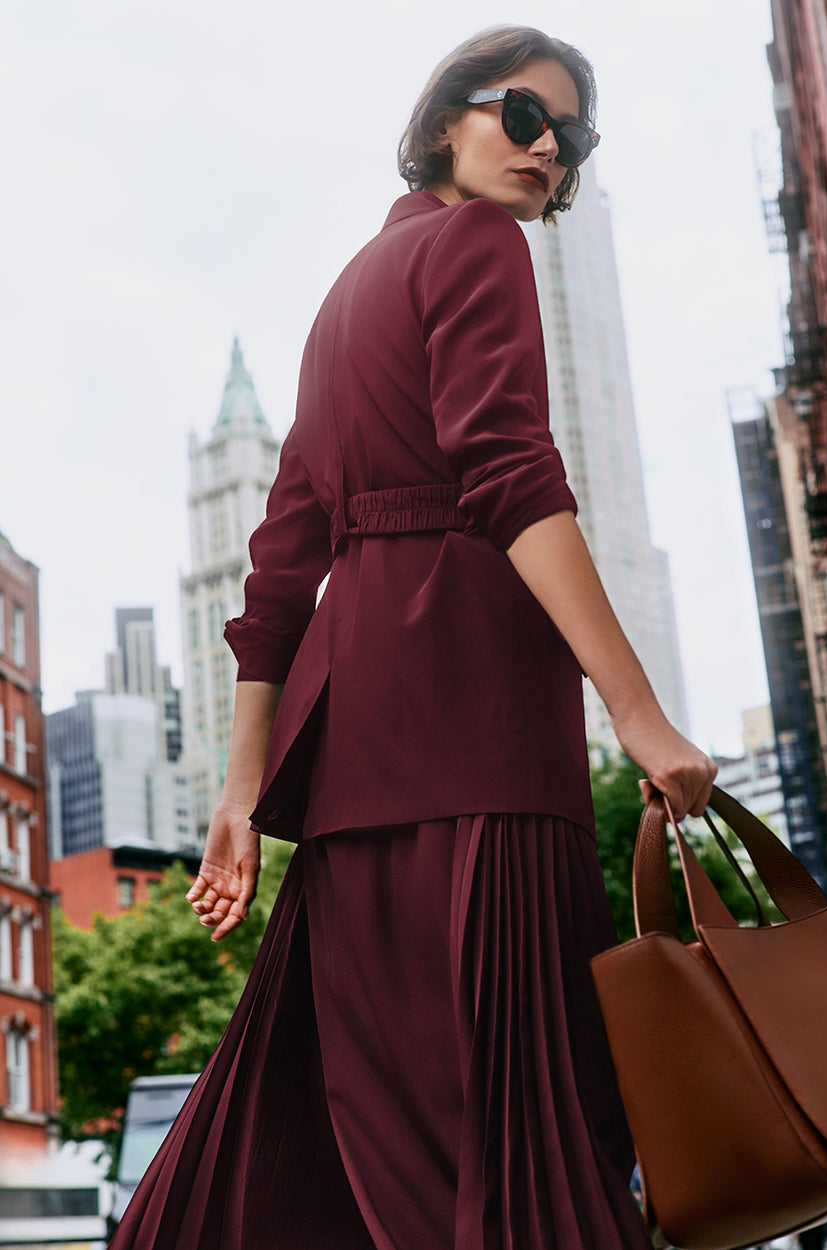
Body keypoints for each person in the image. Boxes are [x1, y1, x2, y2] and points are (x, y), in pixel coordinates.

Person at [111, 24, 716, 1250]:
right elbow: (507, 470)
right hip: (479, 726)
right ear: (448, 116)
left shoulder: (344, 297)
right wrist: (638, 711)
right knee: (525, 1133)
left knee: (364, 1141)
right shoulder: (478, 243)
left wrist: (240, 795)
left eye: (571, 138)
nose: (548, 153)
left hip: (348, 777)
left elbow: (281, 561)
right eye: (523, 117)